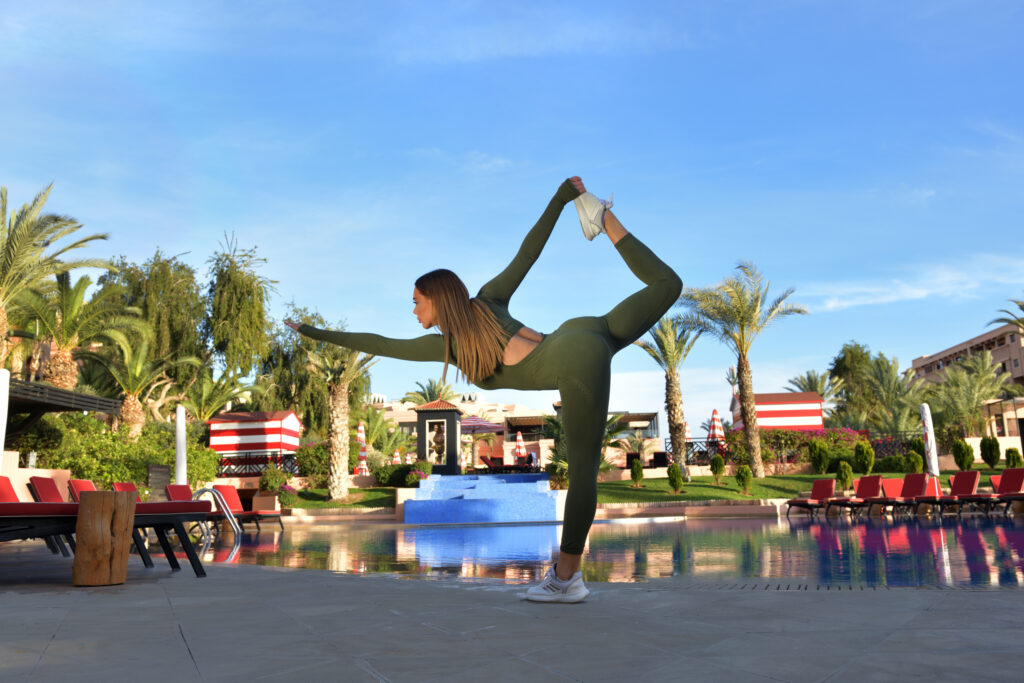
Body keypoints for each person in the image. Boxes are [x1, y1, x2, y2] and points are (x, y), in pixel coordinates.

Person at [286, 177, 681, 602]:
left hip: (576, 356)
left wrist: (311, 331)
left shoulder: (453, 345)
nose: (413, 308)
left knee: (584, 471)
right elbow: (528, 253)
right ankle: (602, 216)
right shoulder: (486, 303)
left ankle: (567, 579)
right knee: (667, 285)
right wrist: (563, 198)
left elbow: (380, 344)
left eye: (417, 300)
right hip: (584, 331)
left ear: (436, 300)